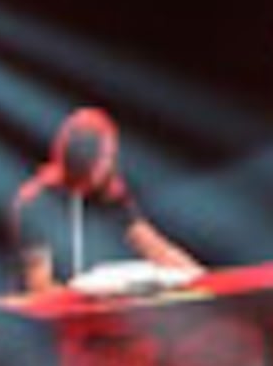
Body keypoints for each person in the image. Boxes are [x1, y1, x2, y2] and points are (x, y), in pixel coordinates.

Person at [12, 104, 199, 289]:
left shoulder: (110, 191)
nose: (106, 167)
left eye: (108, 159)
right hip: (51, 310)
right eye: (100, 162)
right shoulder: (34, 202)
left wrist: (201, 280)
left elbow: (155, 248)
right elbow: (39, 285)